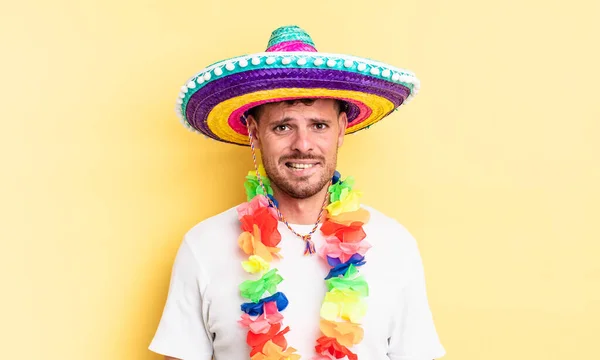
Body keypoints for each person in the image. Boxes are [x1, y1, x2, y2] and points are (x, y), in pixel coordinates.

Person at [149, 25, 445, 360]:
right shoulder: (203, 246)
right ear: (255, 133)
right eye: (283, 127)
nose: (303, 145)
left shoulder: (395, 245)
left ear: (341, 130)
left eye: (318, 125)